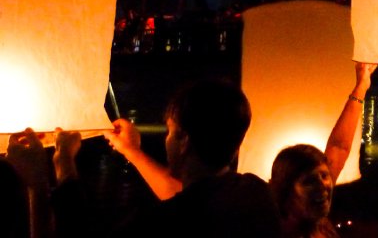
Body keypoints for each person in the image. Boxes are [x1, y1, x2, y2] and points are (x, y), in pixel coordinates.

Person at [97, 78, 281, 238]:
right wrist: (132, 151)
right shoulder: (257, 194)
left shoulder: (157, 226)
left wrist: (67, 164)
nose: (166, 139)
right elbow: (192, 196)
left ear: (184, 139)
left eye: (170, 131)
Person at [270, 62, 377, 238]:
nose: (323, 185)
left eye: (325, 176)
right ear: (284, 192)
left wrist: (361, 85)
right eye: (309, 181)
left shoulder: (315, 222)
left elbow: (339, 146)